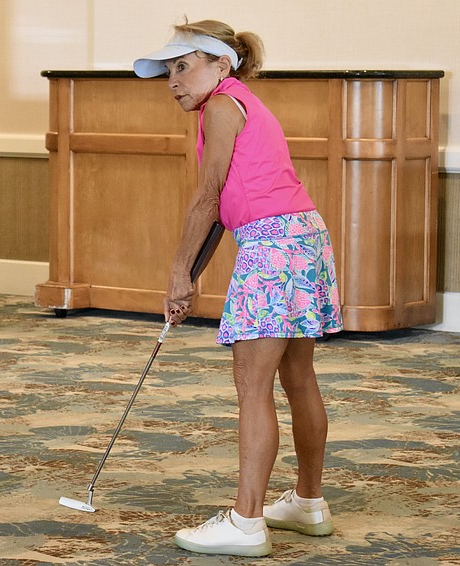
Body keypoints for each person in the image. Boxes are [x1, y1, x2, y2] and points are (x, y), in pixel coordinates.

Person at [134, 19, 343, 557]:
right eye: (167, 72)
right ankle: (308, 502)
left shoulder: (221, 107)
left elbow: (207, 199)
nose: (173, 81)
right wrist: (191, 275)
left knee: (253, 385)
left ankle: (246, 522)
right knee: (297, 375)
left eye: (183, 67)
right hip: (303, 236)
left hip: (274, 247)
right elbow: (226, 210)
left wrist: (178, 274)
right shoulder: (239, 100)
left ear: (221, 64)